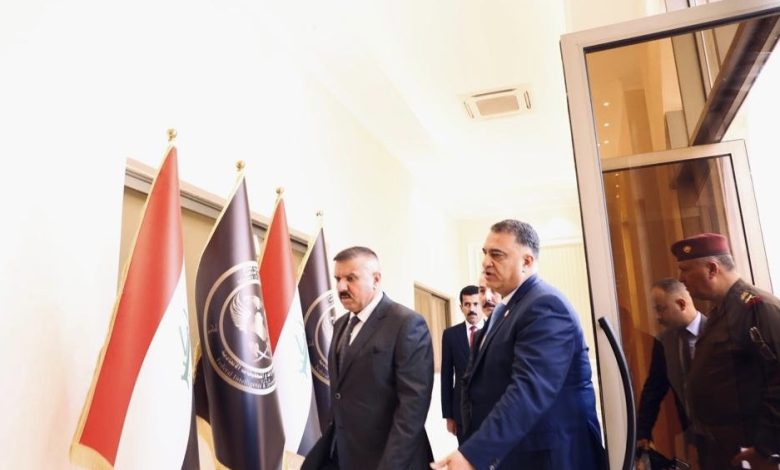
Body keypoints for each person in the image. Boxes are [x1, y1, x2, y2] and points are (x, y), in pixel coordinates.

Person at [432, 219, 604, 470]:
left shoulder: (545, 306)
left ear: (527, 261)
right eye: (485, 253)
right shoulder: (506, 309)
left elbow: (529, 389)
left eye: (497, 255)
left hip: (551, 458)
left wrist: (474, 453)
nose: (486, 262)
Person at [302, 246, 434, 470]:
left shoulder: (406, 323)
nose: (341, 287)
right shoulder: (340, 325)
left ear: (376, 279)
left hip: (386, 459)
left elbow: (412, 409)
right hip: (342, 454)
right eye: (338, 279)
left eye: (351, 278)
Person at [672, 233, 780, 470]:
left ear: (712, 269)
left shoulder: (758, 308)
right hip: (722, 448)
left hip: (751, 451)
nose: (681, 279)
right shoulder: (720, 311)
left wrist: (766, 448)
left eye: (686, 269)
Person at [636, 278, 706, 460]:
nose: (657, 317)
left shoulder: (715, 332)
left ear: (681, 304)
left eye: (661, 309)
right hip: (694, 436)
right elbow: (654, 388)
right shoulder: (664, 342)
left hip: (729, 434)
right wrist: (643, 431)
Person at [441, 285, 485, 443]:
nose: (471, 309)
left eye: (475, 304)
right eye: (467, 304)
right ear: (461, 307)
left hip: (491, 411)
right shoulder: (450, 335)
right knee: (465, 454)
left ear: (482, 304)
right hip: (461, 413)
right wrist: (448, 415)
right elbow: (446, 376)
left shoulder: (495, 330)